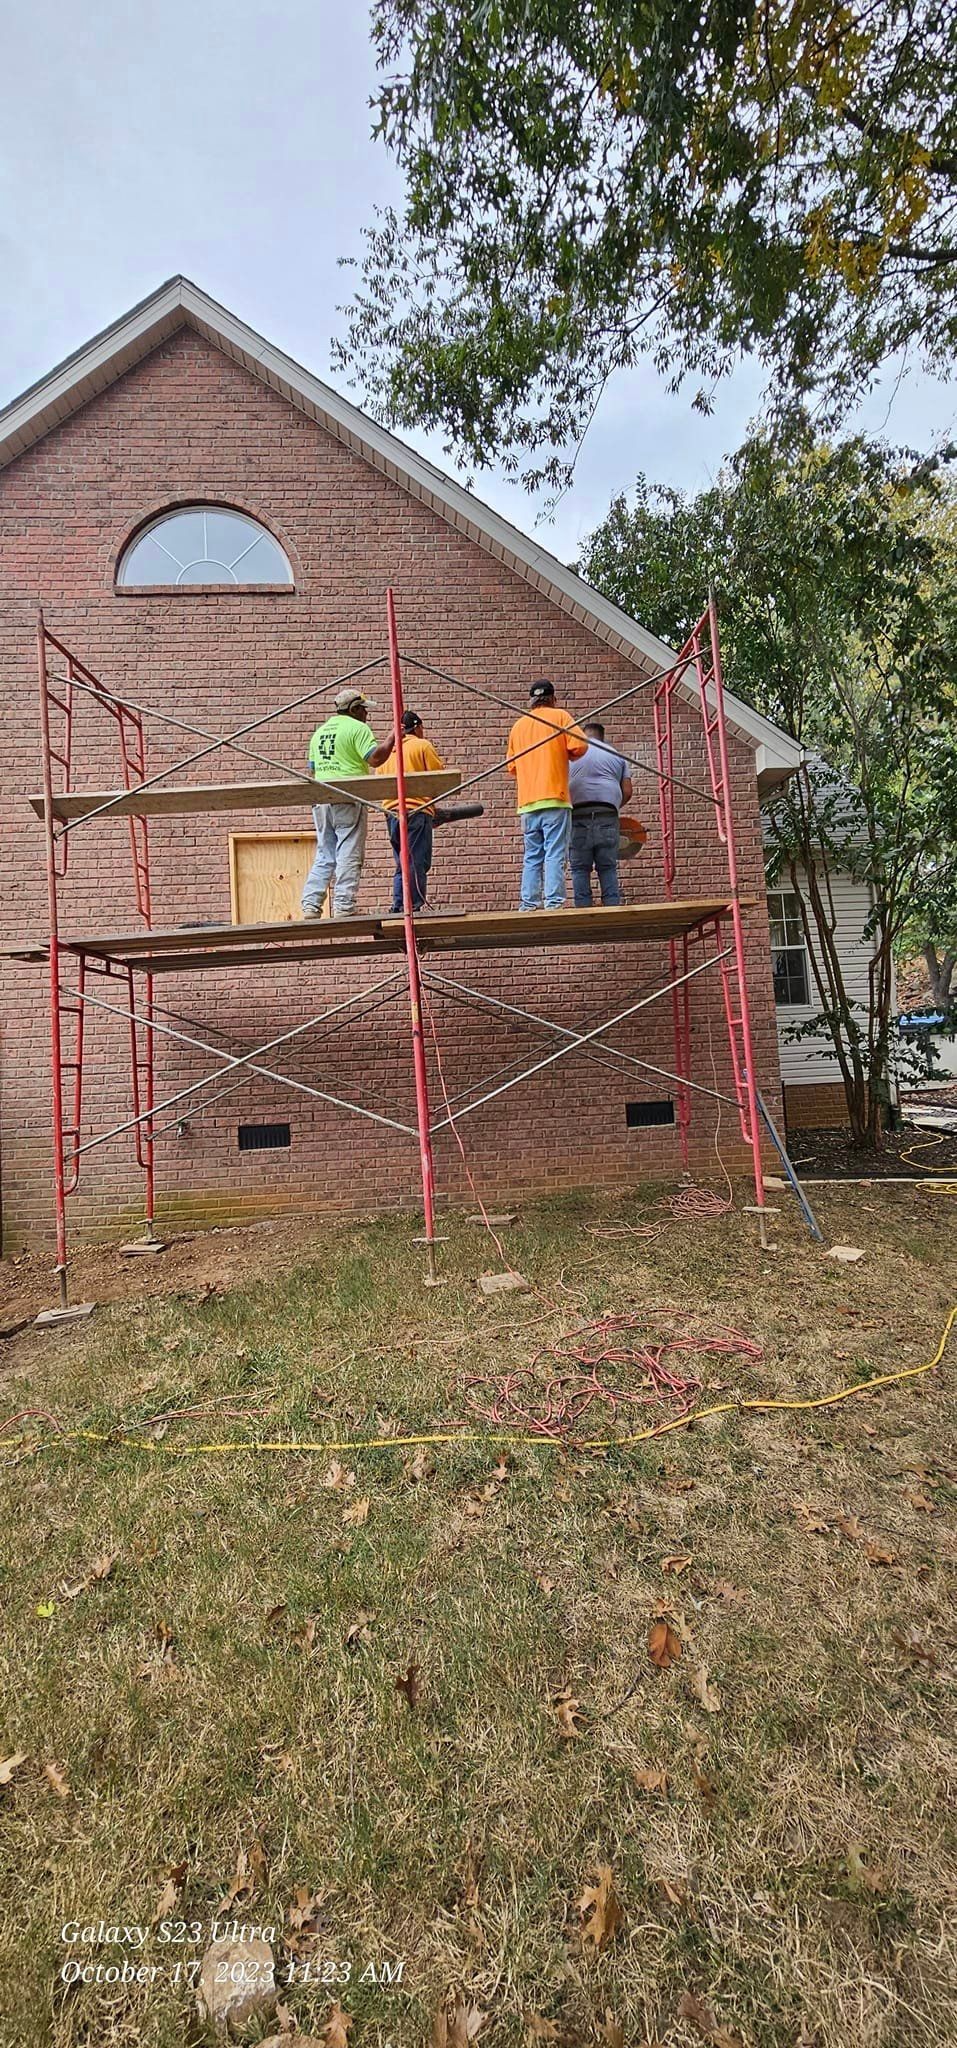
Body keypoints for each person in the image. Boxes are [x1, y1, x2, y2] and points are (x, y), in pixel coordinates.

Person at [301, 688, 394, 919]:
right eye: (363, 709)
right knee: (349, 851)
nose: (366, 714)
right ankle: (343, 906)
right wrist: (392, 739)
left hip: (322, 798)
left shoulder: (320, 732)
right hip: (348, 797)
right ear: (353, 710)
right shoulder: (358, 728)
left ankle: (310, 905)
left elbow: (312, 770)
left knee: (325, 852)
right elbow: (376, 758)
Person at [506, 679, 587, 910]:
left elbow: (512, 767)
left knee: (532, 856)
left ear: (531, 701)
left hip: (528, 803)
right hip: (555, 797)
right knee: (555, 853)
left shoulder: (518, 726)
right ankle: (553, 902)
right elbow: (580, 747)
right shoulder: (560, 717)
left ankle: (528, 904)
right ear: (553, 698)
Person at [377, 711, 445, 911]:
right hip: (416, 810)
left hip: (391, 813)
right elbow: (437, 778)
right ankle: (413, 905)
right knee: (416, 859)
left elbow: (380, 782)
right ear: (417, 727)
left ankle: (399, 904)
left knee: (402, 860)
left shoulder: (387, 751)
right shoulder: (422, 745)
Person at [567, 720, 635, 907]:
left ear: (582, 736)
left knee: (580, 868)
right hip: (607, 814)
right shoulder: (616, 755)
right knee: (607, 867)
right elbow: (628, 791)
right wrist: (612, 807)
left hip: (578, 815)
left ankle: (583, 912)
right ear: (603, 737)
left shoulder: (571, 755)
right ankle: (612, 908)